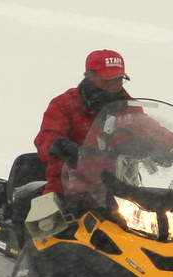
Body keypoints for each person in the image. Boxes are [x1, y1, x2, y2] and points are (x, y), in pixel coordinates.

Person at [34, 49, 133, 195]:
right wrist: (57, 144)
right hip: (67, 190)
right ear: (90, 77)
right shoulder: (65, 104)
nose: (115, 84)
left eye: (118, 79)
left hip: (120, 192)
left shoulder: (129, 108)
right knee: (47, 216)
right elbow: (46, 137)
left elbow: (153, 131)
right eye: (108, 79)